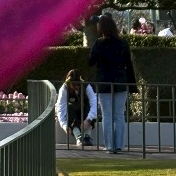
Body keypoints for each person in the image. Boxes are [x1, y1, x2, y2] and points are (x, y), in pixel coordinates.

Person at [88, 14, 136, 154]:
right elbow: (129, 64)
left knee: (107, 115)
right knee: (119, 115)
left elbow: (90, 61)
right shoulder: (122, 43)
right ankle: (119, 146)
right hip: (120, 82)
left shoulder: (99, 44)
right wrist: (132, 84)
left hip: (104, 83)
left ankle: (109, 146)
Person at [57, 69, 97, 146]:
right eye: (73, 84)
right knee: (69, 107)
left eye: (78, 84)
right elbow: (61, 107)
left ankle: (87, 136)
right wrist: (64, 125)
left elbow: (94, 103)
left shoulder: (87, 86)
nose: (76, 87)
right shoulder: (64, 89)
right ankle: (78, 136)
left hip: (85, 111)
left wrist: (88, 119)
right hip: (73, 113)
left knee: (89, 107)